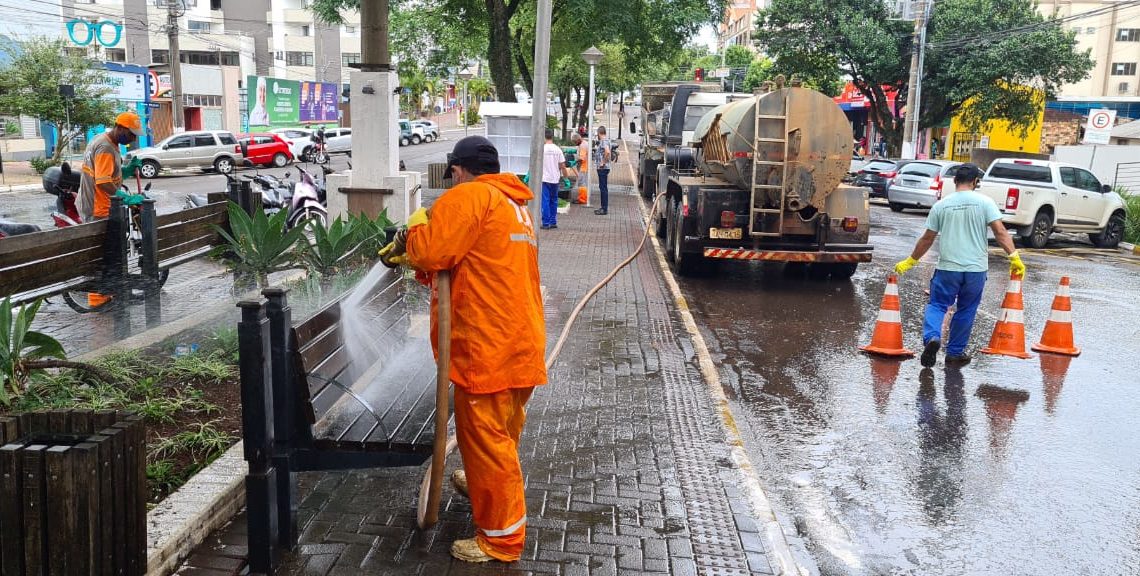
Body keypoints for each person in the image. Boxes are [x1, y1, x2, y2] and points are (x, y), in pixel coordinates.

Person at [378, 136, 546, 563]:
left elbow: (433, 251)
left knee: (489, 442)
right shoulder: (513, 205)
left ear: (457, 170)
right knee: (501, 434)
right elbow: (470, 264)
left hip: (485, 347)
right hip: (519, 343)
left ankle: (501, 540)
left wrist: (415, 229)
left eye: (452, 173)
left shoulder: (468, 196)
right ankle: (482, 482)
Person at [894, 163, 1025, 367]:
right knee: (966, 309)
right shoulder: (985, 202)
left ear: (954, 181)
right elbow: (1000, 232)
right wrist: (1014, 257)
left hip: (947, 268)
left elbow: (927, 238)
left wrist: (911, 260)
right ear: (975, 182)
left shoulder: (942, 205)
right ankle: (954, 353)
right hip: (975, 270)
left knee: (938, 305)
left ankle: (932, 338)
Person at [78, 110, 142, 222]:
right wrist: (126, 198)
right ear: (119, 127)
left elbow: (106, 172)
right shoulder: (106, 147)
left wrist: (127, 171)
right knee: (106, 239)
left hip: (95, 203)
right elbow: (103, 182)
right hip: (98, 208)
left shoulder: (103, 138)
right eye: (131, 134)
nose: (133, 139)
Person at [540, 128, 566, 229]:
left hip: (545, 178)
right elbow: (562, 165)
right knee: (554, 200)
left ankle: (546, 223)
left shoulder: (542, 149)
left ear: (544, 137)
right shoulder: (557, 149)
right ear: (552, 137)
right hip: (555, 178)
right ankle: (553, 221)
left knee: (545, 200)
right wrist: (566, 178)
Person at [594, 125, 611, 216]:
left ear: (599, 133)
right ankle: (603, 207)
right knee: (603, 187)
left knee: (603, 188)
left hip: (603, 168)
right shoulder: (606, 141)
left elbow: (607, 152)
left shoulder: (604, 141)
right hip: (604, 168)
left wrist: (602, 162)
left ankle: (604, 208)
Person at [573, 133, 589, 204]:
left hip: (583, 167)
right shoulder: (585, 143)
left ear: (578, 140)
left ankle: (582, 199)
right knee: (583, 183)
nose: (575, 144)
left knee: (581, 184)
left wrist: (574, 162)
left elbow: (582, 158)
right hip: (585, 166)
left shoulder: (582, 146)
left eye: (575, 142)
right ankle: (583, 197)